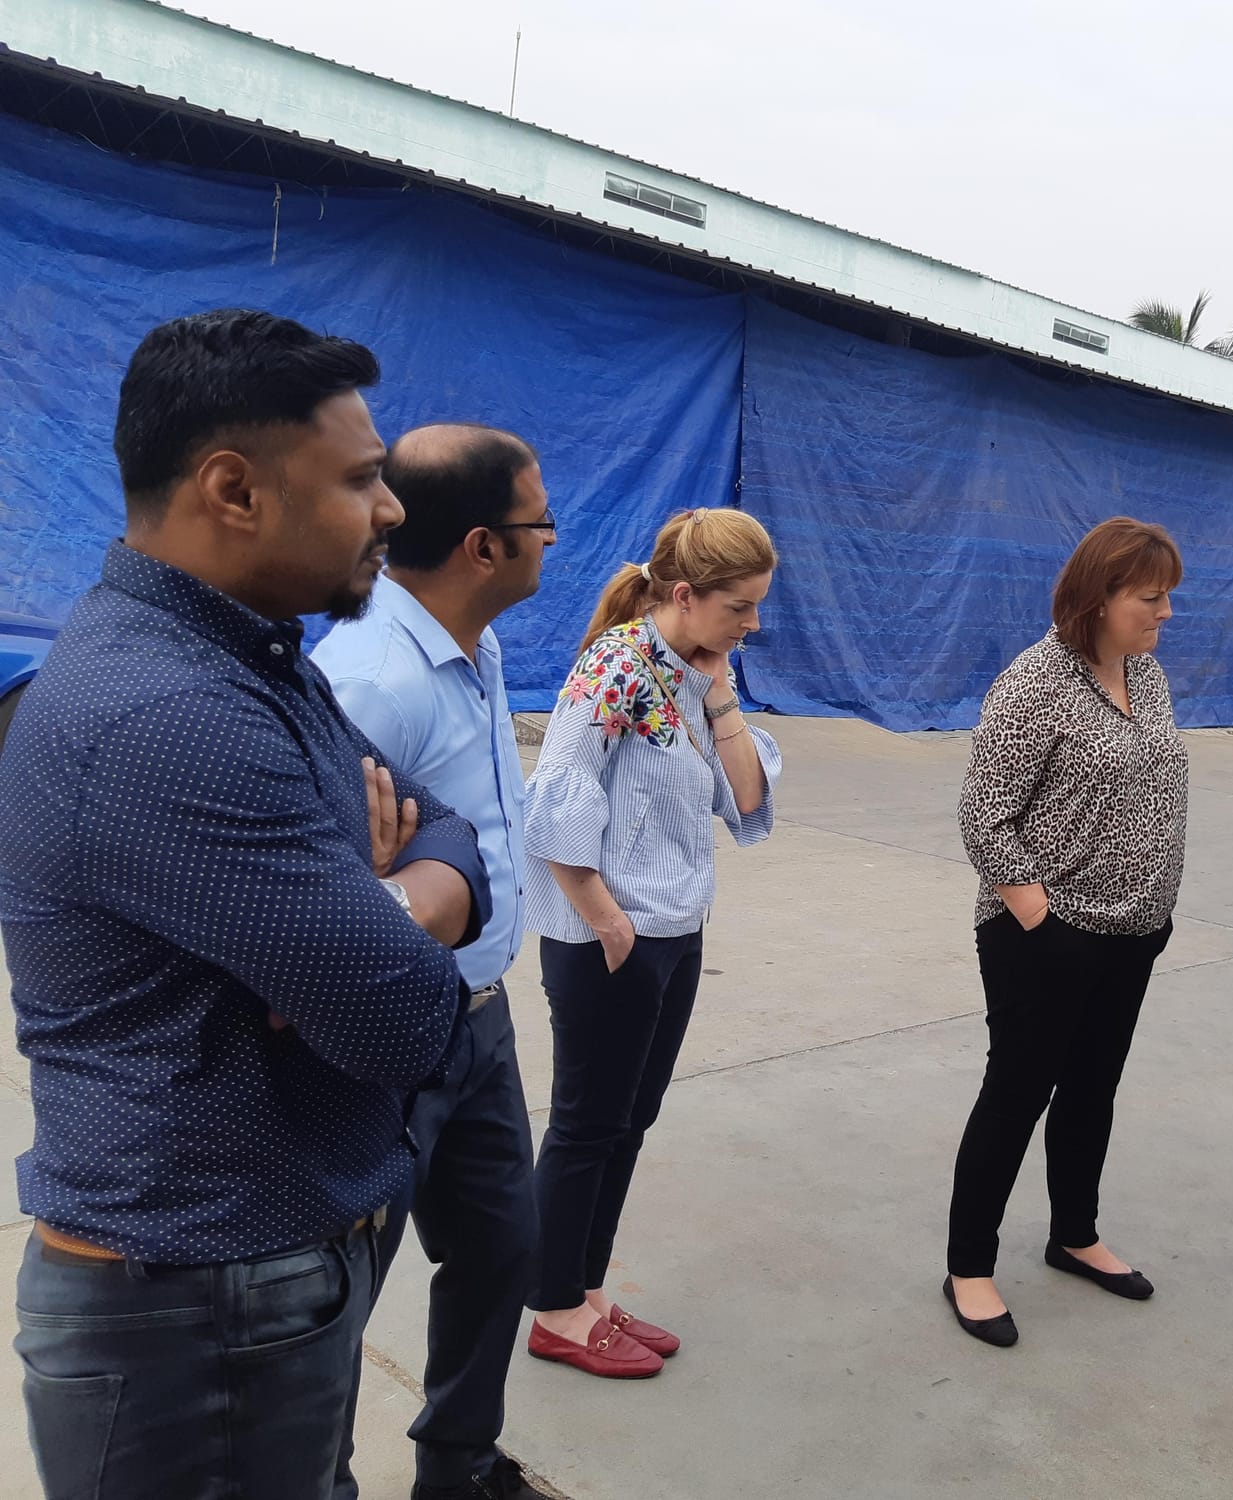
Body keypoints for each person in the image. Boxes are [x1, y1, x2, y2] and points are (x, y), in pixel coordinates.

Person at [0, 309, 490, 1498]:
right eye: (361, 479)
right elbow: (405, 1023)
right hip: (195, 1308)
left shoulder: (250, 657)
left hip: (250, 1282)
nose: (391, 510)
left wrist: (376, 906)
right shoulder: (167, 714)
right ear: (233, 489)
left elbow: (450, 832)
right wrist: (376, 934)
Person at [315, 425, 558, 1499]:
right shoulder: (371, 681)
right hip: (391, 1041)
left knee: (501, 1247)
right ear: (482, 546)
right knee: (338, 1293)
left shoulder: (471, 643)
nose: (551, 539)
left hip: (479, 1017)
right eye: (540, 522)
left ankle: (457, 1468)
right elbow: (327, 901)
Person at [519, 508, 781, 1378]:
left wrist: (722, 694)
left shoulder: (691, 674)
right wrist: (606, 919)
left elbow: (747, 801)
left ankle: (585, 1289)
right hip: (614, 939)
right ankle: (555, 1309)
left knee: (629, 1121)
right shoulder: (619, 666)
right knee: (588, 1126)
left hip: (675, 927)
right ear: (685, 594)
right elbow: (557, 789)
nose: (752, 624)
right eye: (739, 607)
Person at [945, 517, 1188, 1348]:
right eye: (1150, 598)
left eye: (1167, 598)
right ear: (1098, 598)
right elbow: (985, 817)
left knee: (1093, 1089)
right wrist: (1039, 920)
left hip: (1134, 931)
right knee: (1018, 1093)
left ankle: (1074, 1234)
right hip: (1048, 937)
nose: (1165, 613)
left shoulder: (1146, 673)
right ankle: (969, 1267)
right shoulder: (1035, 683)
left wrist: (1152, 910)